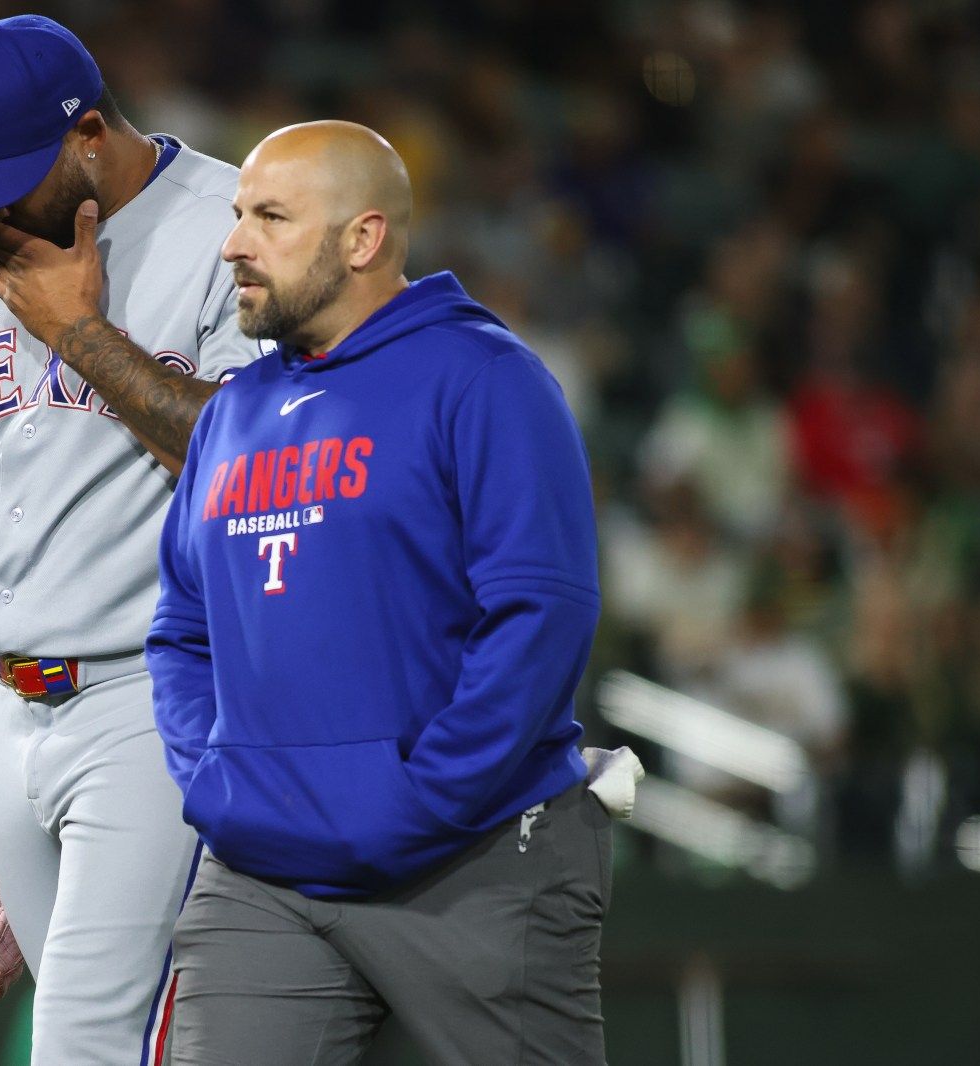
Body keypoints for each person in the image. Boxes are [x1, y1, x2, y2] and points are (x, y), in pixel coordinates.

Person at [147, 121, 612, 1064]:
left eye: (270, 217)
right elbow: (181, 631)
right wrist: (218, 781)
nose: (233, 242)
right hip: (263, 875)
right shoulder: (234, 411)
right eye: (237, 214)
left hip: (471, 865)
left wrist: (421, 800)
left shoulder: (484, 378)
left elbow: (540, 615)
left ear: (362, 240)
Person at [0, 16, 258, 1064]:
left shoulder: (232, 229)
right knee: (153, 1043)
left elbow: (241, 468)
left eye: (8, 174)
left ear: (89, 132)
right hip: (14, 713)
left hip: (155, 698)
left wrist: (76, 333)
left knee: (86, 1043)